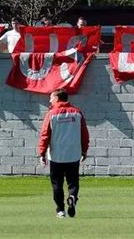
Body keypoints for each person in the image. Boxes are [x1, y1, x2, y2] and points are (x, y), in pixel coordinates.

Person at [38, 88, 89, 219]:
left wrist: (42, 153)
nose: (49, 100)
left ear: (57, 98)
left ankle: (60, 210)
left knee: (57, 184)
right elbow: (84, 134)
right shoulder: (77, 113)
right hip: (73, 154)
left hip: (56, 155)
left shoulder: (51, 114)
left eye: (51, 97)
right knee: (73, 182)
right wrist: (84, 150)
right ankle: (72, 197)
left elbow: (45, 134)